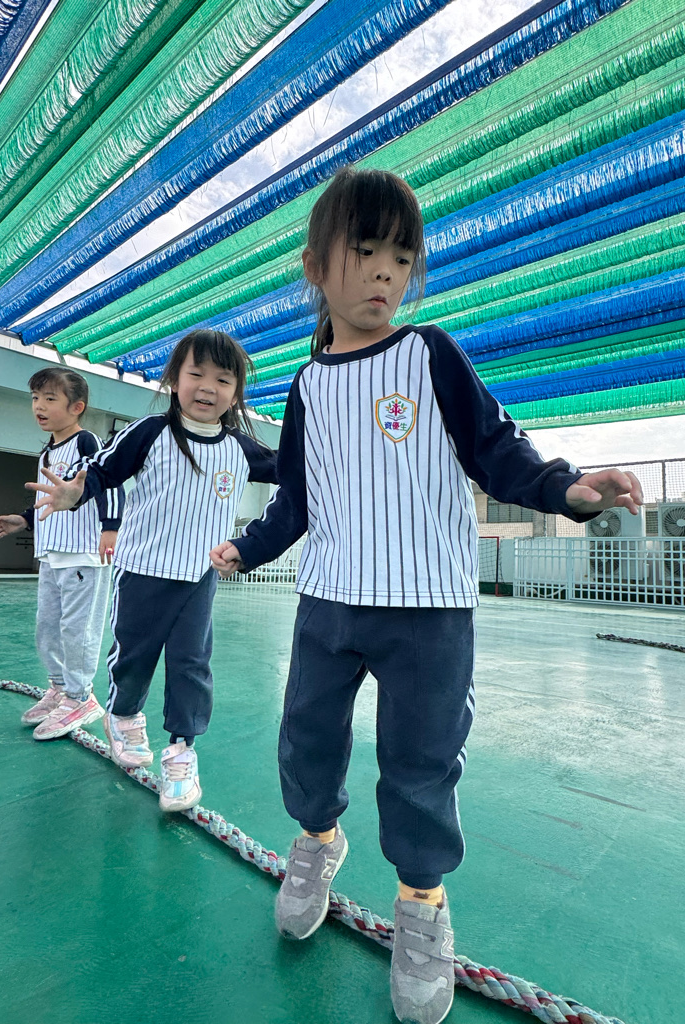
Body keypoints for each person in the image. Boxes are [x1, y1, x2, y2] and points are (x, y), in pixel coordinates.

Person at [209, 166, 643, 1024]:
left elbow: (496, 448)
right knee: (306, 738)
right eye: (366, 249)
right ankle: (317, 840)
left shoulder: (429, 353)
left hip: (429, 607)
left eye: (402, 258)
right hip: (329, 600)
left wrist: (564, 488)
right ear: (315, 265)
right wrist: (247, 548)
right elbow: (297, 498)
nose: (385, 271)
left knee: (421, 760)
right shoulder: (304, 387)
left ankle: (421, 901)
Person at [26, 330, 277, 814]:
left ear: (236, 391)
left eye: (223, 379)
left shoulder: (242, 448)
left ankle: (182, 750)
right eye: (196, 373)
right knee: (134, 656)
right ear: (174, 380)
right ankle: (122, 717)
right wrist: (75, 493)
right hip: (142, 571)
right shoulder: (150, 432)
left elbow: (295, 473)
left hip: (199, 577)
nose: (208, 387)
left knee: (192, 664)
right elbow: (101, 470)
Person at [0, 366, 124, 740]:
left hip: (82, 555)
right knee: (47, 628)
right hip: (52, 556)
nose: (39, 406)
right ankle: (60, 688)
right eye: (35, 398)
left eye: (50, 399)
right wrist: (24, 519)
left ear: (77, 407)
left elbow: (109, 483)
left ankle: (80, 698)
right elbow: (52, 500)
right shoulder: (47, 451)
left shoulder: (87, 443)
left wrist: (110, 528)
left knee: (77, 631)